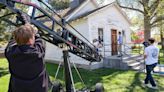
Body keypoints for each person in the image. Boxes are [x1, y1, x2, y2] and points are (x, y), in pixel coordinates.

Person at [5, 24, 48, 92]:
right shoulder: (38, 52)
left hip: (17, 89)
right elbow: (39, 39)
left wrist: (23, 32)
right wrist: (30, 28)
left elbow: (11, 42)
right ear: (31, 40)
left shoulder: (10, 53)